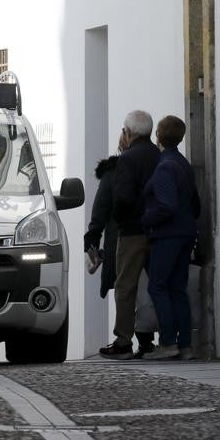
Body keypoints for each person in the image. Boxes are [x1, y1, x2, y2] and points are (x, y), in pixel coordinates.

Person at [99, 111, 161, 360]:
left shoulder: (127, 158)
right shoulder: (159, 155)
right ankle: (157, 340)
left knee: (125, 286)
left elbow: (123, 197)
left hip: (133, 231)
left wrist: (120, 220)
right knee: (158, 285)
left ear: (128, 132)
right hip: (158, 230)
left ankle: (123, 340)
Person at [84, 146, 156, 357]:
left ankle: (125, 341)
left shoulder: (113, 172)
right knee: (149, 289)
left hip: (124, 236)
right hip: (155, 233)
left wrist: (93, 240)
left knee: (126, 289)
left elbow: (101, 208)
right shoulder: (156, 162)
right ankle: (147, 341)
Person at [141, 116, 202, 361]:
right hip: (186, 232)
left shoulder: (165, 166)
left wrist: (146, 218)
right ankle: (185, 345)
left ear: (158, 135)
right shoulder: (183, 164)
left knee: (157, 286)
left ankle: (168, 342)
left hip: (168, 235)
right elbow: (195, 203)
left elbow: (167, 205)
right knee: (178, 288)